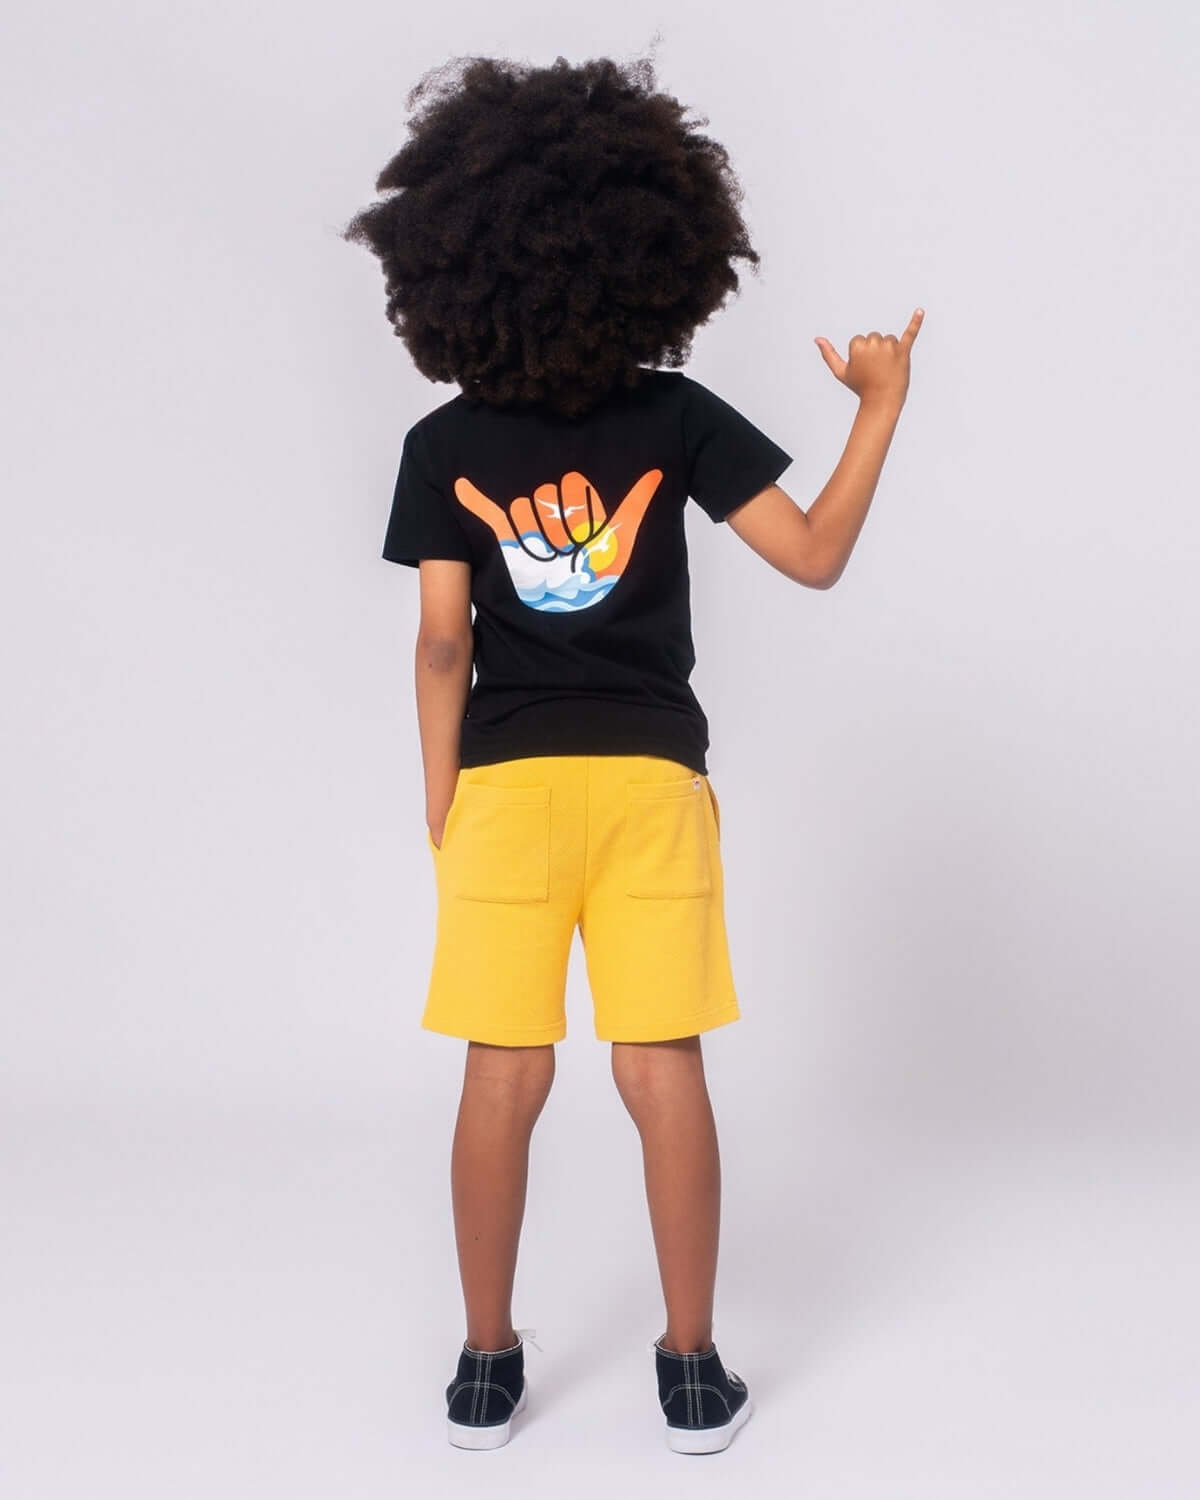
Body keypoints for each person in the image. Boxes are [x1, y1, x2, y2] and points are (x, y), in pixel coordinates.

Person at [342, 51, 923, 1455]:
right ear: (656, 254)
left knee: (503, 1073)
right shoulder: (678, 418)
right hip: (654, 782)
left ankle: (486, 1370)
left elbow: (440, 644)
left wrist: (442, 792)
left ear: (447, 261)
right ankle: (693, 1370)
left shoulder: (441, 443)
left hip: (506, 787)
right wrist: (878, 405)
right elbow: (815, 555)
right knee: (662, 1070)